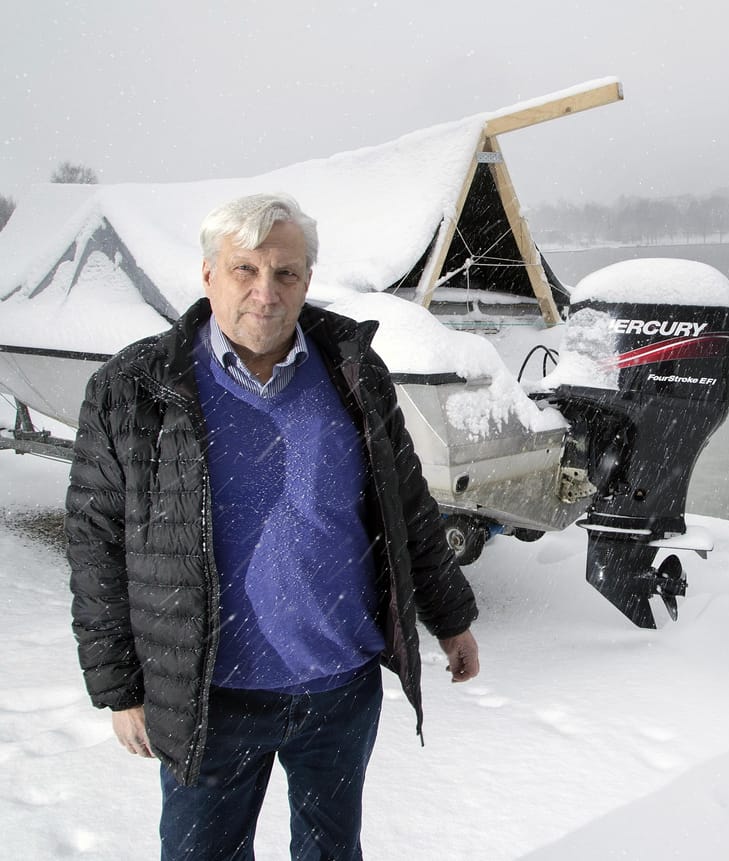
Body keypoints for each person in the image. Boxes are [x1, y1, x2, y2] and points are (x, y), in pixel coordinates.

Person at [67, 192, 480, 860]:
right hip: (210, 697)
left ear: (308, 280)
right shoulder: (134, 387)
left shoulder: (353, 372)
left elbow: (405, 506)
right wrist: (119, 686)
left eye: (286, 272)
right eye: (245, 270)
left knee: (330, 852)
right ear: (208, 275)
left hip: (338, 694)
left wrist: (451, 616)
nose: (267, 290)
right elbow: (96, 543)